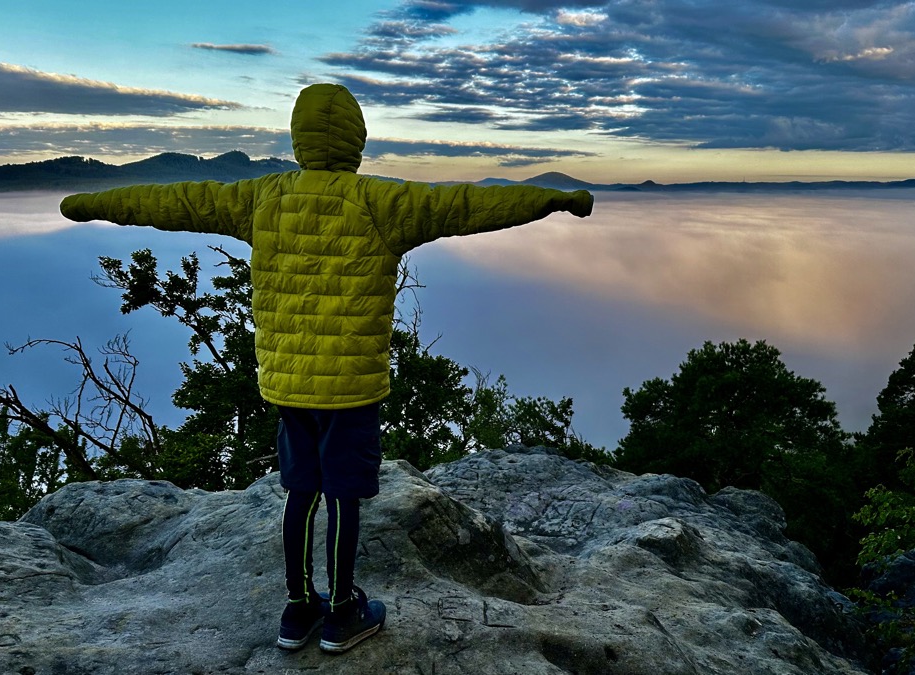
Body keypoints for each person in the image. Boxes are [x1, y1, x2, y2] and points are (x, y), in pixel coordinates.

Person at [60, 82, 594, 654]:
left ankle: (297, 609)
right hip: (351, 387)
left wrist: (87, 204)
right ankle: (341, 613)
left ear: (297, 140)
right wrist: (551, 198)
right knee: (342, 494)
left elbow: (171, 201)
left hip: (288, 382)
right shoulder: (382, 202)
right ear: (357, 141)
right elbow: (467, 204)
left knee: (300, 491)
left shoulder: (261, 196)